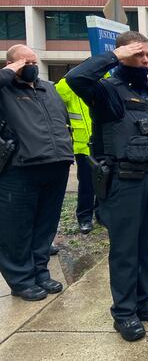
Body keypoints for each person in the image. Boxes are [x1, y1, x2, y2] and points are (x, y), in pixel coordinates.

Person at [66, 32, 148, 342]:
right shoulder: (107, 91)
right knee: (125, 249)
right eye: (138, 55)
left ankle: (144, 301)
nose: (145, 60)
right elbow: (76, 77)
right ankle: (124, 313)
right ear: (124, 54)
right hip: (124, 182)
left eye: (146, 55)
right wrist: (116, 55)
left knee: (146, 246)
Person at [0, 45, 73, 302]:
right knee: (16, 229)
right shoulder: (5, 89)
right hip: (19, 169)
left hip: (55, 164)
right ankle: (21, 280)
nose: (32, 66)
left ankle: (40, 272)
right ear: (11, 64)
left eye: (34, 61)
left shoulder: (48, 88)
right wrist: (9, 73)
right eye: (25, 63)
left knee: (45, 226)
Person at [55, 77, 96, 234]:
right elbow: (58, 94)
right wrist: (72, 78)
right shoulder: (72, 84)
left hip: (104, 145)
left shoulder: (104, 79)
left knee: (105, 183)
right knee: (87, 184)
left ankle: (101, 214)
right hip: (82, 145)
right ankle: (85, 217)